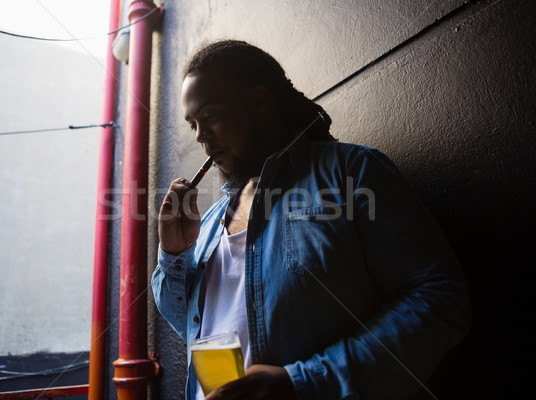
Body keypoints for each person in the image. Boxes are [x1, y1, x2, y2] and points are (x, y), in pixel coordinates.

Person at [152, 39, 471, 400]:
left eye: (210, 115)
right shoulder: (208, 224)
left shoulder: (352, 174)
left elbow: (439, 300)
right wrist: (174, 253)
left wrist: (300, 384)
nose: (200, 136)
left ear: (258, 102)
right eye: (192, 124)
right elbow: (189, 325)